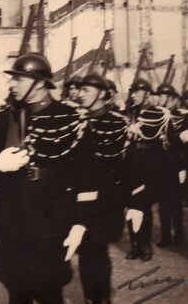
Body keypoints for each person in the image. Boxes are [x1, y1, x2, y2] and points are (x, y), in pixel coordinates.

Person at [0, 53, 85, 303]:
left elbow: (85, 176)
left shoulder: (70, 118)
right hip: (10, 218)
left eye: (18, 79)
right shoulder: (7, 117)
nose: (12, 84)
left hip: (50, 219)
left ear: (39, 83)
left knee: (49, 290)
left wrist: (80, 222)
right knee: (16, 288)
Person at [75, 73, 147, 304]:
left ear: (102, 94)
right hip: (80, 202)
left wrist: (136, 203)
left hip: (108, 202)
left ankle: (102, 298)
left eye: (86, 90)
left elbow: (132, 166)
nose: (80, 94)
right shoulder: (76, 122)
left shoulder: (119, 123)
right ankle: (92, 299)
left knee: (97, 251)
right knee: (86, 252)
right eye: (80, 90)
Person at [126, 78, 168, 261]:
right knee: (130, 207)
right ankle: (134, 245)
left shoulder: (157, 114)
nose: (133, 95)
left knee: (143, 207)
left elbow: (161, 146)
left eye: (137, 92)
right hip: (130, 167)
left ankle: (145, 245)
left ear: (148, 94)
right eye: (132, 92)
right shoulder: (130, 113)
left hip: (147, 169)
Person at [155, 82, 185, 247]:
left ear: (172, 99)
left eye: (162, 96)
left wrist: (183, 167)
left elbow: (184, 145)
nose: (159, 99)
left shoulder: (182, 117)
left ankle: (179, 236)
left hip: (176, 166)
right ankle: (166, 237)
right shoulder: (158, 116)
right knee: (163, 204)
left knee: (175, 203)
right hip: (161, 167)